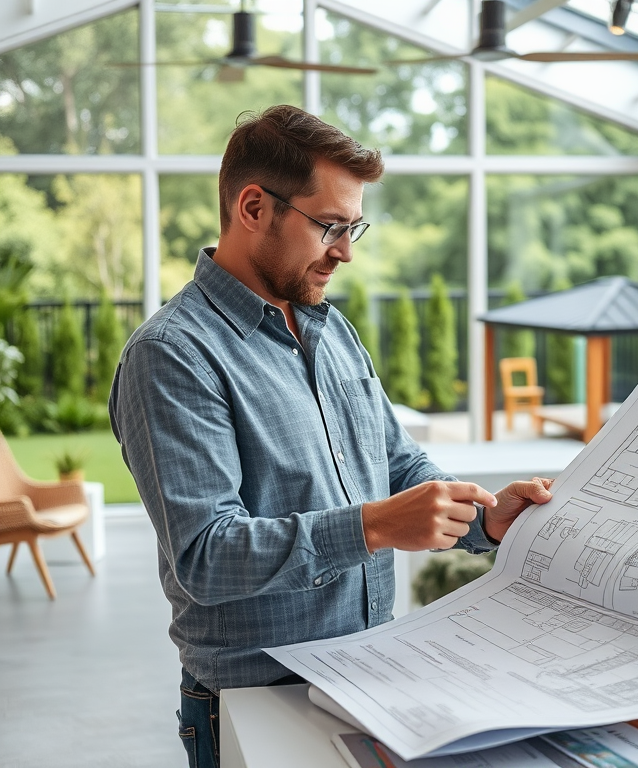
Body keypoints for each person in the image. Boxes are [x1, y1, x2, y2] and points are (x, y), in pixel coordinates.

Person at [108, 104, 553, 768]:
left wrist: (488, 519)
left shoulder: (330, 329)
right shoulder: (172, 355)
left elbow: (398, 466)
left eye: (354, 227)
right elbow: (205, 554)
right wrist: (371, 527)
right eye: (330, 227)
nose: (345, 250)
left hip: (374, 683)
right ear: (253, 208)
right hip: (255, 704)